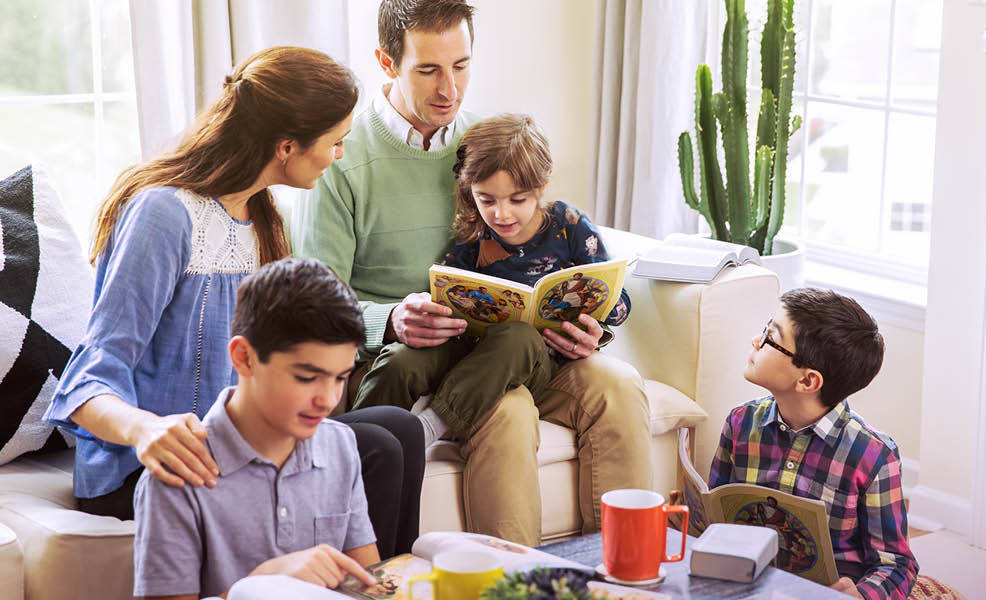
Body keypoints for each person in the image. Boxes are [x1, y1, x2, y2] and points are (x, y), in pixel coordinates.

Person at [291, 0, 651, 546]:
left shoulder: (486, 144)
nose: (450, 90)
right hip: (418, 355)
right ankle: (514, 580)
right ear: (387, 63)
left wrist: (589, 328)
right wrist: (391, 319)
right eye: (429, 69)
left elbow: (550, 242)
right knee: (507, 412)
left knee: (619, 384)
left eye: (461, 66)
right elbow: (316, 305)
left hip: (513, 344)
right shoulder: (340, 158)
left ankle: (627, 570)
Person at [42, 46, 424, 558]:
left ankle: (379, 588)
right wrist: (147, 429)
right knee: (375, 447)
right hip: (150, 467)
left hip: (235, 446)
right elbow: (90, 375)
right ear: (287, 146)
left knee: (399, 428)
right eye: (336, 142)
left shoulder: (262, 220)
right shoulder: (164, 214)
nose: (339, 156)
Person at [353, 114, 632, 450]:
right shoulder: (476, 230)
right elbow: (447, 284)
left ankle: (432, 426)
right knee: (401, 359)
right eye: (487, 200)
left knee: (519, 337)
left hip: (533, 358)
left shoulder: (569, 225)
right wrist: (431, 305)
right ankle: (352, 447)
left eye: (517, 200)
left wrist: (597, 324)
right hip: (469, 346)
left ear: (543, 182)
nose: (501, 214)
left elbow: (617, 302)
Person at [133, 258, 380, 598]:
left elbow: (370, 586)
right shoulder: (176, 477)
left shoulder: (340, 445)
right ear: (244, 358)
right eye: (307, 378)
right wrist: (259, 584)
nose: (328, 400)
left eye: (341, 378)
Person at [707, 288, 918, 599]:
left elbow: (897, 564)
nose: (756, 341)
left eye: (770, 337)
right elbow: (715, 513)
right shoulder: (740, 423)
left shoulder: (874, 456)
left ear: (807, 381)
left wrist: (860, 594)